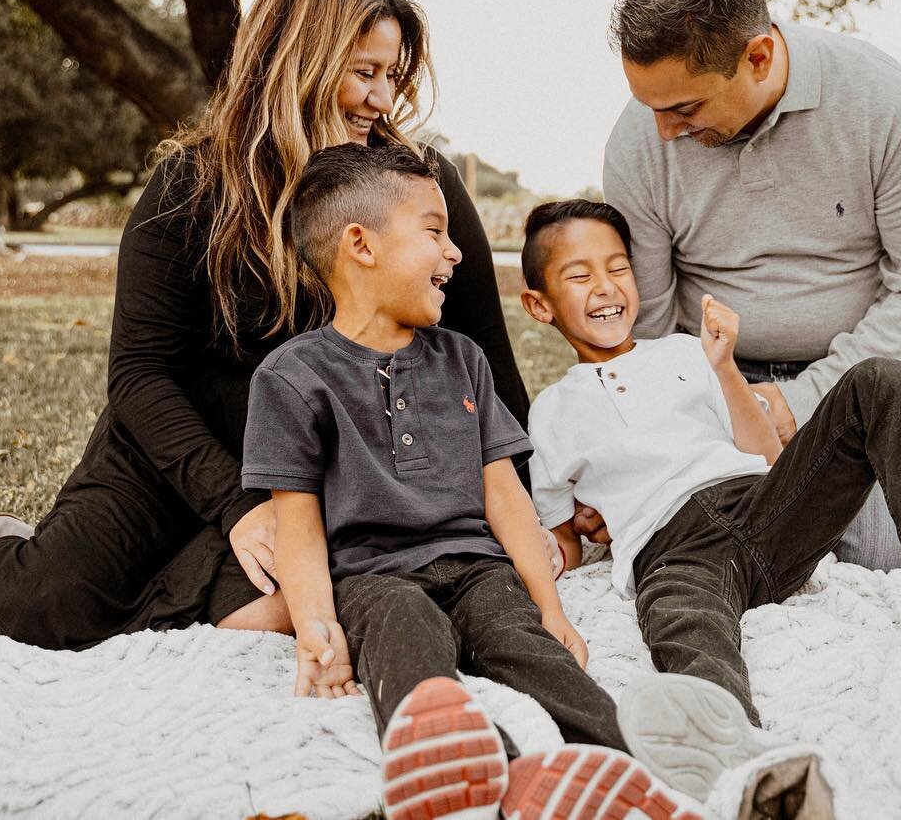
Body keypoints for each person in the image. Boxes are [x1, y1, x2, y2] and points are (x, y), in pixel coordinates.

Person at [0, 0, 536, 651]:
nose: (381, 100)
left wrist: (525, 511)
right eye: (363, 73)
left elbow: (486, 367)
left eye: (392, 77)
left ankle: (174, 580)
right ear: (293, 63)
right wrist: (236, 506)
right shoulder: (190, 187)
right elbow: (139, 374)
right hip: (182, 445)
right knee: (52, 605)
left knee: (279, 608)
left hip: (327, 464)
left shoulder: (422, 193)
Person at [518, 200, 901, 796]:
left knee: (883, 379)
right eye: (579, 276)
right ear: (539, 304)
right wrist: (552, 555)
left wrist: (725, 369)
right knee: (686, 627)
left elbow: (768, 455)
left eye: (618, 268)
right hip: (672, 552)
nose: (607, 288)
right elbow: (562, 533)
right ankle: (744, 761)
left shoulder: (686, 353)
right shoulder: (552, 413)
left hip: (763, 507)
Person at [245, 144, 705, 820]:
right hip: (374, 576)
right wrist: (318, 627)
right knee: (409, 644)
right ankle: (474, 771)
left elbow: (504, 494)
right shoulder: (291, 376)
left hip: (478, 568)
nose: (455, 251)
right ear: (360, 245)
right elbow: (299, 523)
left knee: (529, 647)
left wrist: (550, 607)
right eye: (434, 231)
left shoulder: (463, 359)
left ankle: (630, 777)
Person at [582, 0, 901, 572]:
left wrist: (804, 399)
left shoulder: (879, 98)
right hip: (704, 382)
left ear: (758, 57)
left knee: (879, 577)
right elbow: (646, 321)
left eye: (684, 109)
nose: (663, 133)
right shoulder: (638, 142)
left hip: (851, 381)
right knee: (688, 562)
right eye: (650, 108)